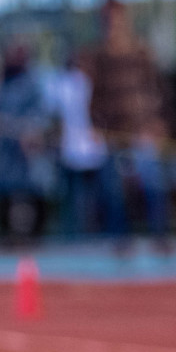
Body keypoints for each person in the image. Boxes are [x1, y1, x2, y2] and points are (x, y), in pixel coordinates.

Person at [86, 0, 171, 249]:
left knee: (153, 186)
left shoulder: (141, 52)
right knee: (115, 192)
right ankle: (121, 240)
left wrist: (158, 123)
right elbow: (94, 97)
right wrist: (97, 126)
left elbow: (160, 90)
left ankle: (160, 237)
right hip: (114, 134)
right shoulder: (99, 57)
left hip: (143, 131)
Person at [53, 49, 125, 241]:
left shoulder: (84, 83)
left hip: (92, 146)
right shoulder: (68, 84)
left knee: (97, 195)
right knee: (81, 197)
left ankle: (98, 234)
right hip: (77, 147)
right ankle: (81, 235)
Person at [0, 41, 52, 245]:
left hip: (27, 145)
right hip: (6, 147)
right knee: (5, 190)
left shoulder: (33, 81)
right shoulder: (1, 80)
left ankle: (36, 235)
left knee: (33, 187)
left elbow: (41, 111)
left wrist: (32, 131)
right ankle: (7, 234)